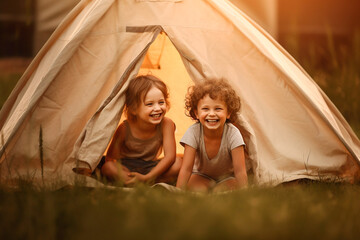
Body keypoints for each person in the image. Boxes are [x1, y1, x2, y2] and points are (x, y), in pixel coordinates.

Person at [101, 75, 181, 186]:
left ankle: (145, 182)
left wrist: (147, 177)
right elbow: (110, 158)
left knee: (178, 163)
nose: (157, 108)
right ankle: (136, 182)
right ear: (133, 109)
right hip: (127, 167)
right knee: (108, 168)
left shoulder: (166, 124)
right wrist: (121, 171)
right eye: (150, 104)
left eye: (161, 102)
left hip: (151, 167)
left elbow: (170, 157)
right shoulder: (124, 128)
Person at [176, 79, 248, 192]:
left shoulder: (233, 134)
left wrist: (245, 193)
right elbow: (186, 169)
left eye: (218, 109)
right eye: (205, 109)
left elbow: (240, 171)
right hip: (201, 175)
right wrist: (178, 191)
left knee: (222, 192)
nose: (212, 114)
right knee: (198, 190)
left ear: (228, 113)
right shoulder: (193, 132)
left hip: (226, 178)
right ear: (196, 113)